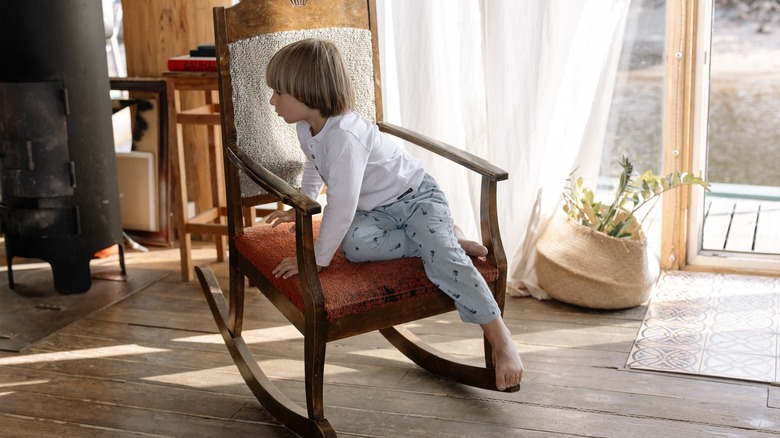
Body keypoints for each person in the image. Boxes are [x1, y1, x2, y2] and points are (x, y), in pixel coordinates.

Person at [263, 38, 523, 391]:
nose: (272, 101)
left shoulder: (346, 136)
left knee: (445, 257)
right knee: (355, 247)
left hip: (416, 196)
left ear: (308, 92)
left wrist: (317, 259)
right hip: (378, 211)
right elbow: (314, 167)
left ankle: (499, 334)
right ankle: (440, 235)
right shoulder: (305, 127)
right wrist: (302, 205)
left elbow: (340, 205)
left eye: (279, 92)